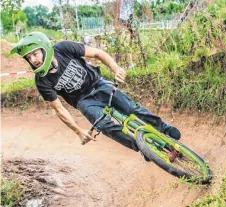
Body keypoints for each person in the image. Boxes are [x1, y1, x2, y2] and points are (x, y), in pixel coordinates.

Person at [11, 32, 181, 155]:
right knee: (104, 125)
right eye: (28, 57)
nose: (33, 60)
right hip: (83, 101)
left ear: (44, 48)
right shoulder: (42, 81)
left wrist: (116, 69)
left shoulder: (63, 48)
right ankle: (143, 148)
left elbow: (98, 53)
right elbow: (59, 110)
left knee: (130, 108)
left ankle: (163, 128)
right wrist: (78, 131)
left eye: (35, 53)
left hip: (98, 83)